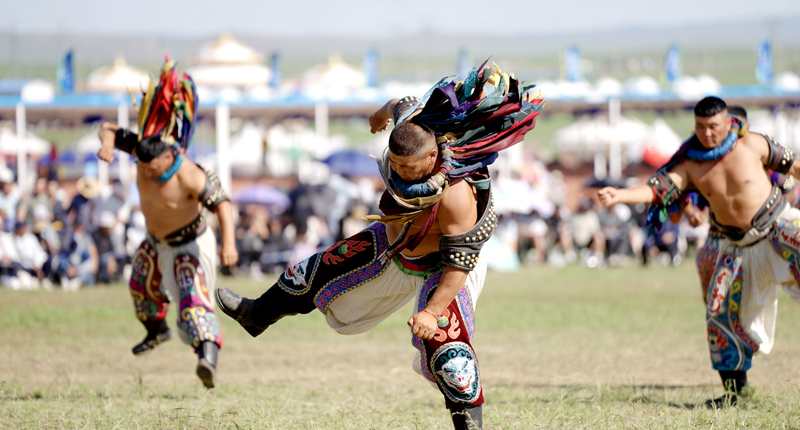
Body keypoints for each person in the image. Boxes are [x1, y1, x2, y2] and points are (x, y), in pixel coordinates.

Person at [215, 63, 544, 430]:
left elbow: (459, 265)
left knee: (450, 354)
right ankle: (255, 314)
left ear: (433, 158)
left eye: (411, 168)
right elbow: (396, 104)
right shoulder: (411, 122)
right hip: (394, 242)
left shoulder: (457, 197)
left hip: (445, 267)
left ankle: (470, 425)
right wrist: (377, 116)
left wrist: (432, 312)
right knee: (313, 270)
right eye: (397, 167)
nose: (402, 173)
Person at [597, 96, 800, 407]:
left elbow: (794, 165)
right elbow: (657, 189)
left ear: (728, 122)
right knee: (718, 311)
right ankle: (736, 394)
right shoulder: (691, 163)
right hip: (735, 244)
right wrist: (620, 195)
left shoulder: (754, 144)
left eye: (713, 127)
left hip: (779, 225)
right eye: (700, 127)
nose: (706, 134)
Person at [97, 58, 238, 389]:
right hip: (154, 240)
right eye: (142, 168)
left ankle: (207, 358)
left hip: (191, 243)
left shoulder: (192, 174)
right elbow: (108, 129)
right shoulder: (145, 148)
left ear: (169, 155)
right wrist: (107, 145)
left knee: (193, 297)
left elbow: (224, 205)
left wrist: (229, 244)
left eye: (152, 169)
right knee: (140, 286)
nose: (146, 174)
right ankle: (156, 331)